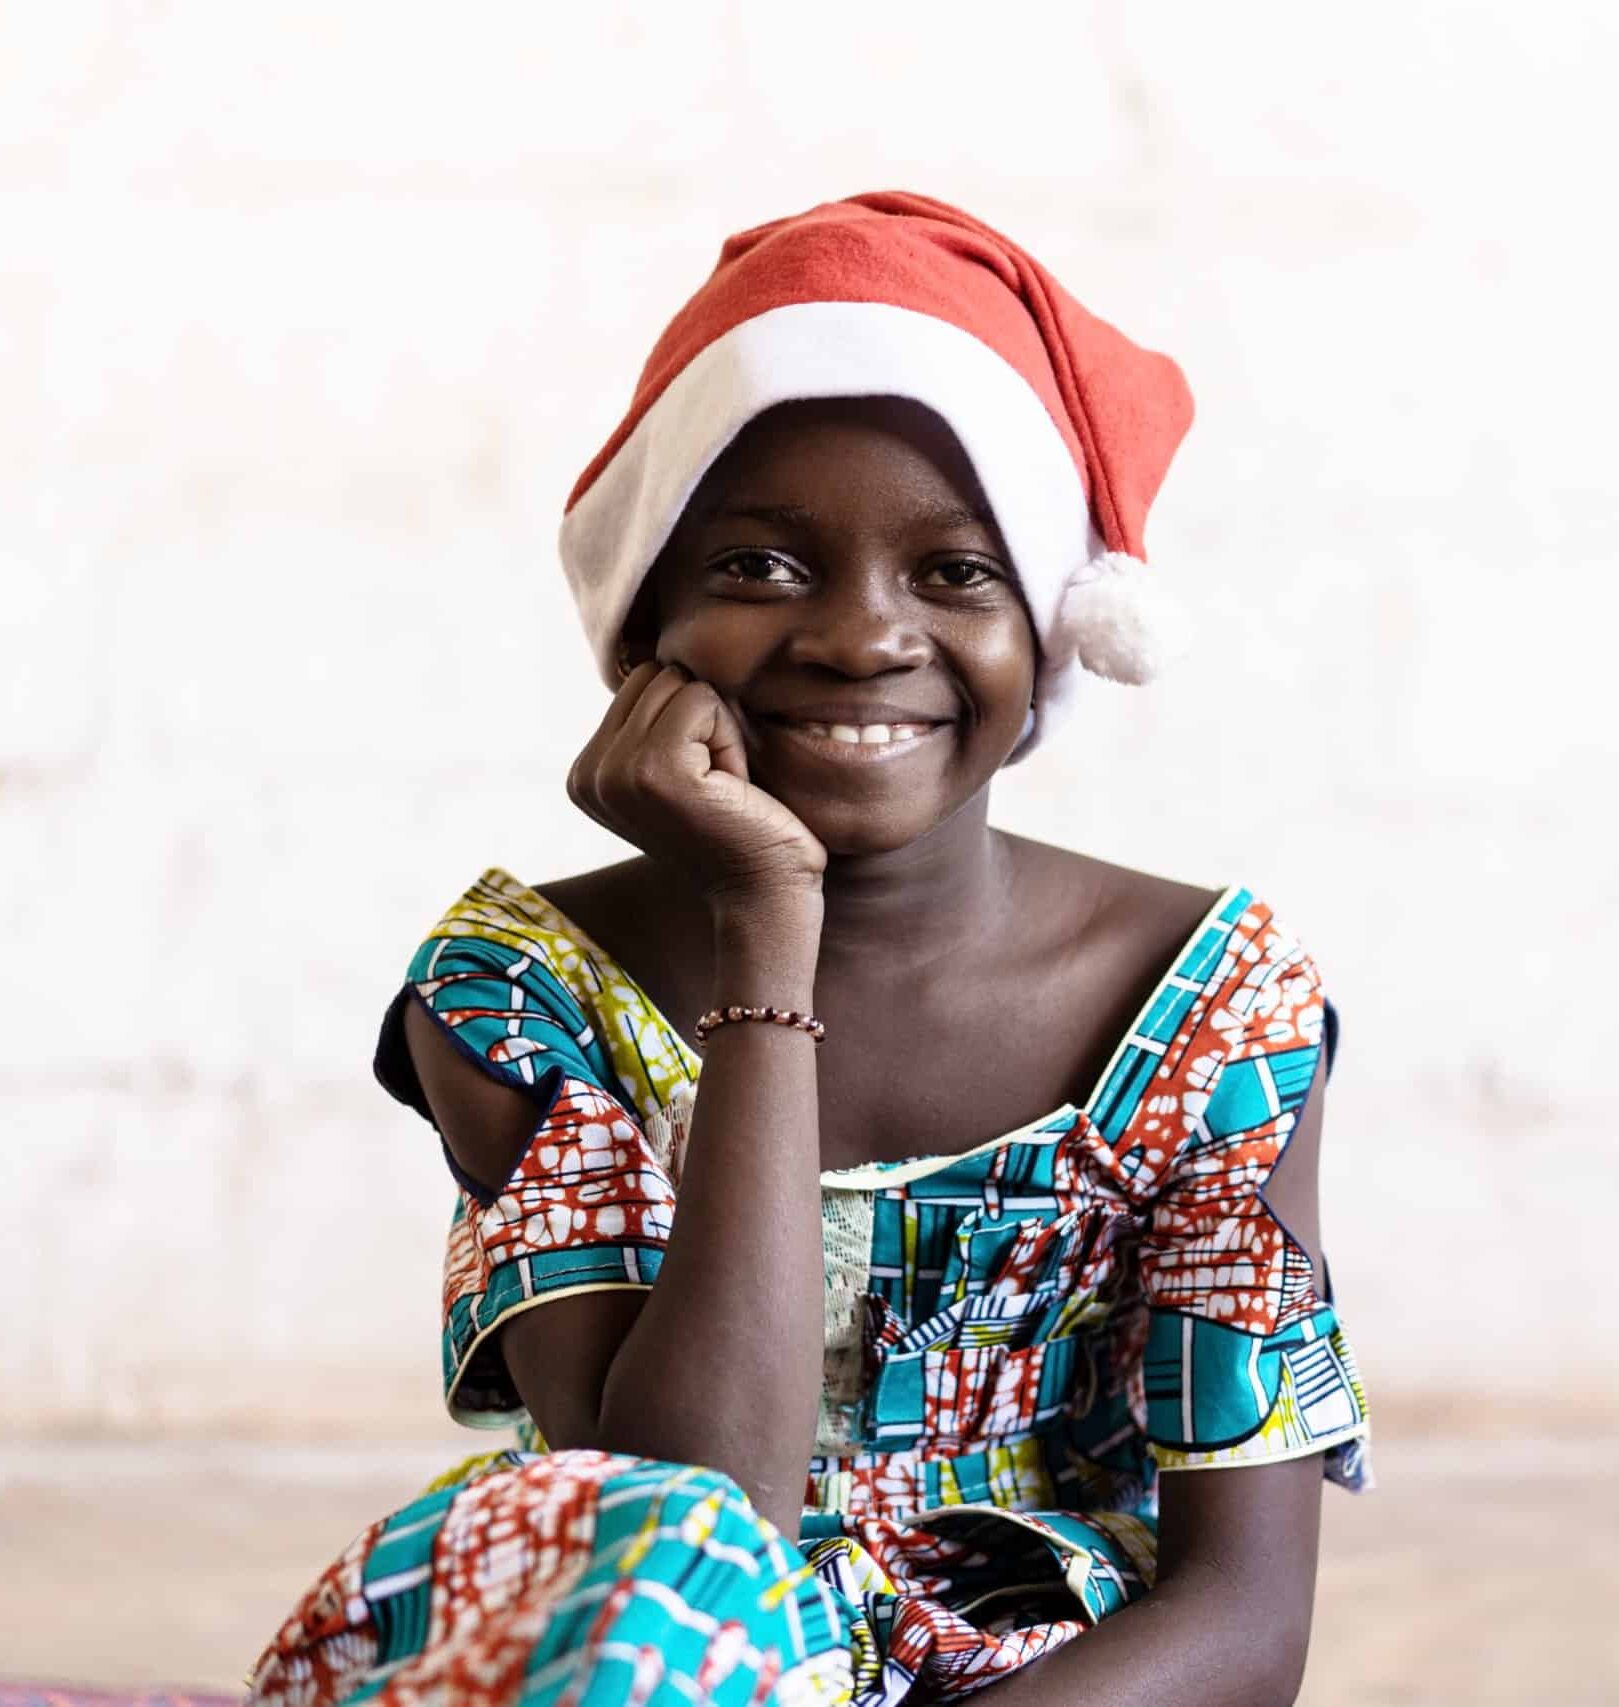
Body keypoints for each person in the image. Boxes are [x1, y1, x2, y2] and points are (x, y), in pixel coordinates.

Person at [244, 191, 1370, 1707]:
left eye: (955, 572)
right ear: (645, 634)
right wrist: (765, 944)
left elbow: (1244, 1618)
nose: (856, 637)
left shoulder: (1210, 1010)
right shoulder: (516, 993)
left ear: (1053, 632)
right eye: (759, 568)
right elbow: (685, 1527)